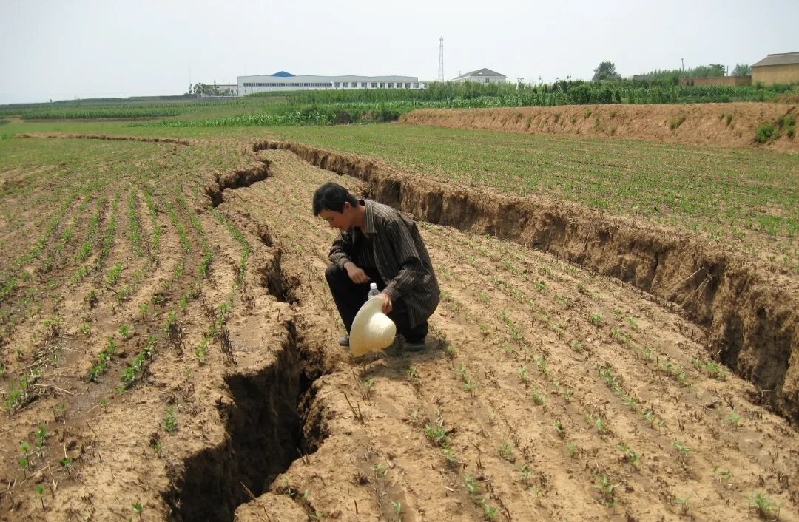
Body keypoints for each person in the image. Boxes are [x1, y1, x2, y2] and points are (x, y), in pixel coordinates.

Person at [312, 182, 439, 352]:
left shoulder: (388, 221)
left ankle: (415, 332)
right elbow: (336, 249)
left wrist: (389, 292)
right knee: (335, 272)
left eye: (331, 218)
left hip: (413, 291)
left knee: (388, 317)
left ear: (347, 207)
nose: (331, 225)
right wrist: (349, 265)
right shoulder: (350, 225)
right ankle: (357, 332)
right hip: (384, 279)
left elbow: (414, 267)